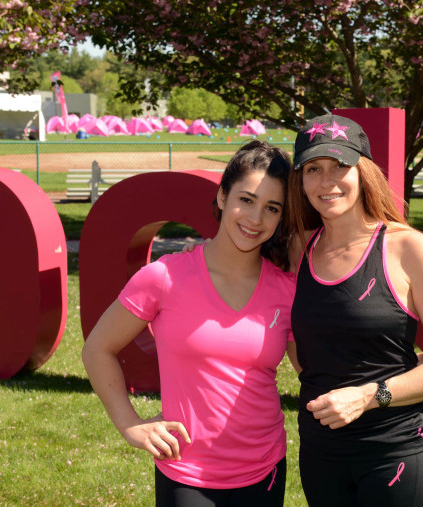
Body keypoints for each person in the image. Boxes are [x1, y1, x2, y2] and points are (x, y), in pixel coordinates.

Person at [82, 140, 297, 507]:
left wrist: (397, 367)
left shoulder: (287, 289)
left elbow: (315, 369)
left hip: (266, 470)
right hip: (187, 474)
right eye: (246, 200)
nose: (255, 219)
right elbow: (97, 349)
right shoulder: (164, 278)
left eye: (271, 208)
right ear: (221, 197)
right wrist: (129, 424)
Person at [286, 114, 423, 506]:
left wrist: (369, 395)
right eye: (313, 169)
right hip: (321, 452)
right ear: (300, 181)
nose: (326, 181)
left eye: (340, 166)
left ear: (364, 171)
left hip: (396, 452)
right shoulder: (296, 249)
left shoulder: (409, 249)